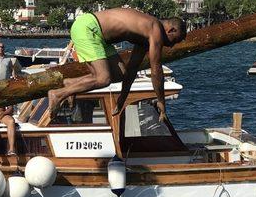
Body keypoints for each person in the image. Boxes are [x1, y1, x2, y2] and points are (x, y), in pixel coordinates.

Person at [47, 9, 187, 121]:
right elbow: (156, 70)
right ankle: (58, 94)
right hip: (89, 28)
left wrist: (122, 98)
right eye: (175, 40)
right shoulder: (155, 29)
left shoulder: (145, 36)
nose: (172, 45)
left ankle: (70, 84)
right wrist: (161, 101)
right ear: (171, 30)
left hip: (98, 35)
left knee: (120, 72)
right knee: (103, 78)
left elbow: (132, 69)